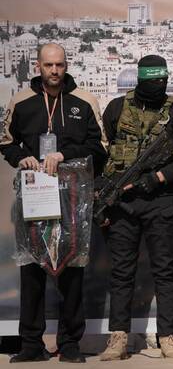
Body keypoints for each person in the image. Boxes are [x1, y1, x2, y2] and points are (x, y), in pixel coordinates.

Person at [0, 43, 106, 363]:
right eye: (49, 65)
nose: (55, 71)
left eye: (59, 64)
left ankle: (70, 343)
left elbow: (99, 147)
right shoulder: (21, 102)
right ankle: (31, 344)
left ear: (66, 65)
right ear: (38, 66)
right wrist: (22, 158)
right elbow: (6, 142)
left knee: (71, 269)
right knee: (32, 270)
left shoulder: (84, 101)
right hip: (34, 194)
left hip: (73, 196)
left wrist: (63, 155)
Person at [99, 55, 173, 360]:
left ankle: (168, 336)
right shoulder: (116, 108)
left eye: (163, 80)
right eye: (153, 80)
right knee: (121, 271)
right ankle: (118, 336)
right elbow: (105, 151)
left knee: (165, 270)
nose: (159, 85)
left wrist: (159, 177)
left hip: (161, 200)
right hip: (123, 202)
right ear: (140, 80)